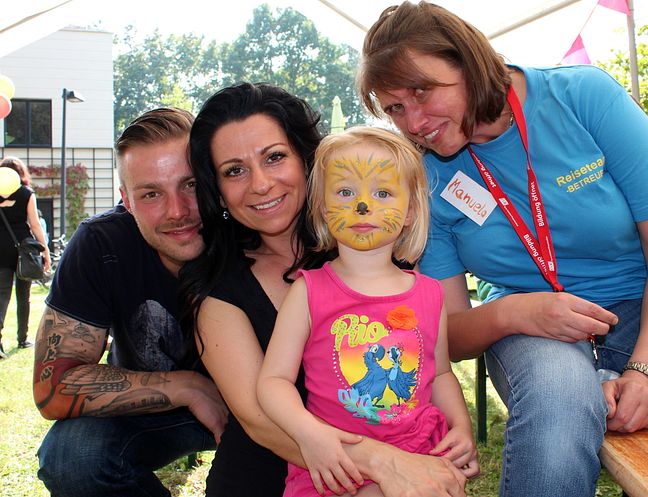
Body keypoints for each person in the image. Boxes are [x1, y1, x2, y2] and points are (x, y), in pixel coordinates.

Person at [357, 2, 648, 496]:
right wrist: (518, 313)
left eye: (421, 91)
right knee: (558, 404)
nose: (413, 122)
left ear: (469, 62)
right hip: (529, 330)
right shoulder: (425, 177)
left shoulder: (583, 95)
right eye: (394, 108)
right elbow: (449, 333)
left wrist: (646, 372)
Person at [179, 82, 468, 497]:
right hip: (274, 480)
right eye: (235, 170)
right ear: (219, 191)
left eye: (275, 157)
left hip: (406, 453)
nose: (260, 184)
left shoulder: (385, 258)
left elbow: (435, 369)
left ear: (306, 164)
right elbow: (263, 416)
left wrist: (455, 431)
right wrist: (388, 466)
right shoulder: (223, 292)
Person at [257, 126, 478, 497]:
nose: (363, 205)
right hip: (337, 463)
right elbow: (273, 382)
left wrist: (460, 426)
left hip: (419, 451)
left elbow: (440, 374)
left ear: (410, 211)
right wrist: (310, 433)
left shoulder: (430, 293)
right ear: (324, 208)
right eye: (345, 192)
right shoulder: (307, 291)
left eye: (383, 192)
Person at [33, 107, 228, 497]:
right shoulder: (100, 244)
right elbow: (52, 386)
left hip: (261, 405)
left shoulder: (250, 232)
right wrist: (187, 386)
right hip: (148, 407)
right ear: (126, 200)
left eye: (189, 185)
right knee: (73, 457)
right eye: (151, 193)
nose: (178, 211)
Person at [0, 157, 50, 357]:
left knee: (1, 296)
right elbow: (35, 224)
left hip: (0, 250)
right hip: (24, 249)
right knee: (24, 296)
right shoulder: (26, 194)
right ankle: (23, 338)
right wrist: (44, 250)